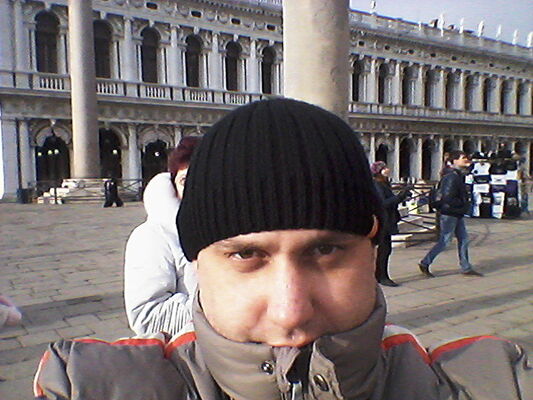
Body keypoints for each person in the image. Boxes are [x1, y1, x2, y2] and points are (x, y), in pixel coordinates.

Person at [34, 100, 530, 399]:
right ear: (197, 261)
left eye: (327, 250)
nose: (291, 311)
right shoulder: (92, 386)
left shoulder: (495, 383)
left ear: (372, 250)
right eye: (245, 256)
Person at [124, 136, 201, 336]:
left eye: (204, 179)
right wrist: (227, 307)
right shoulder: (151, 236)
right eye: (185, 181)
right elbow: (147, 317)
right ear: (174, 187)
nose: (195, 189)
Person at [419, 150, 483, 278]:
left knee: (464, 239)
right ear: (454, 161)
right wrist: (462, 204)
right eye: (463, 157)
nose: (466, 159)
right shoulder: (452, 176)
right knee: (445, 241)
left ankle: (466, 267)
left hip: (456, 212)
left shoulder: (457, 174)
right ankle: (425, 262)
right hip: (450, 213)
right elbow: (447, 197)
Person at [371, 161, 411, 287]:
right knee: (384, 249)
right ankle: (382, 276)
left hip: (387, 220)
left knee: (385, 249)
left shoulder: (383, 183)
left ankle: (380, 275)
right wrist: (400, 196)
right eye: (384, 168)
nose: (388, 169)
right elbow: (383, 203)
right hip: (383, 221)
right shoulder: (377, 184)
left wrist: (403, 196)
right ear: (379, 171)